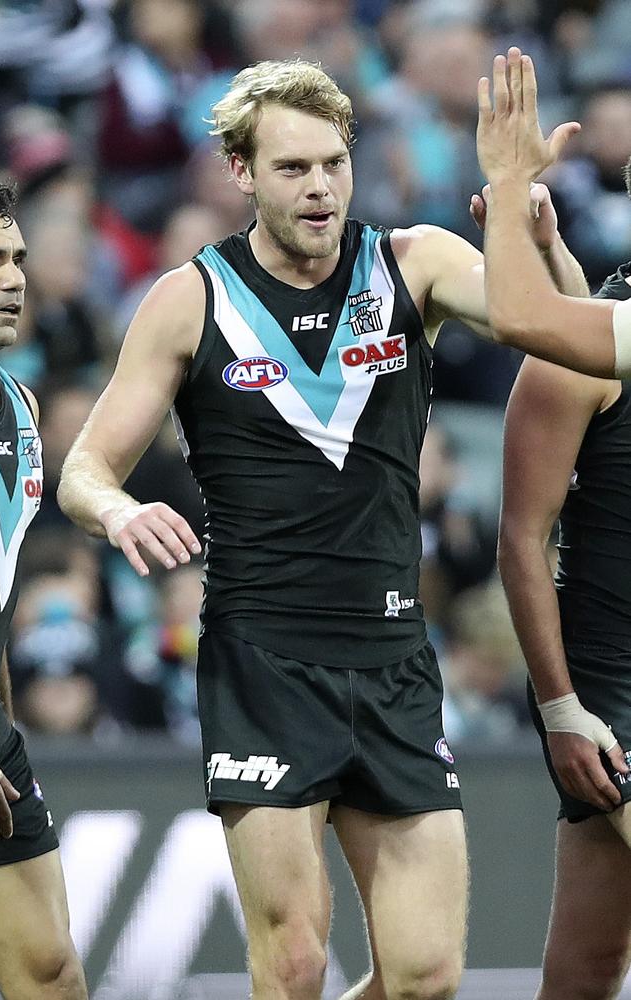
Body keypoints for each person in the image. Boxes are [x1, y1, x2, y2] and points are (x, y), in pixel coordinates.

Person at [57, 60, 586, 1000]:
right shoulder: (192, 298)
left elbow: (551, 325)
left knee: (426, 977)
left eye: (334, 164)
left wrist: (519, 207)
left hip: (392, 656)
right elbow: (84, 471)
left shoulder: (412, 262)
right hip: (265, 659)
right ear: (240, 171)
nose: (320, 187)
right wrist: (120, 507)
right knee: (294, 964)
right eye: (294, 167)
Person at [498, 257, 631, 1000]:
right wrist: (561, 709)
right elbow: (521, 537)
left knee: (588, 963)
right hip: (613, 687)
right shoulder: (576, 353)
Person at [0, 177, 87, 998]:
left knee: (48, 972)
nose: (14, 278)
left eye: (17, 259)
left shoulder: (20, 407)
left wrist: (1, 720)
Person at [476, 45, 631, 381]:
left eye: (623, 124)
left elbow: (520, 320)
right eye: (605, 124)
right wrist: (548, 244)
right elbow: (583, 320)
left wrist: (509, 180)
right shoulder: (558, 194)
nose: (616, 134)